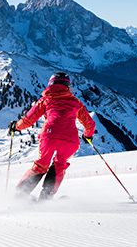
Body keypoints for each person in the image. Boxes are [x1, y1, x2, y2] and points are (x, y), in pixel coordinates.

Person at [9, 72, 95, 201]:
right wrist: (88, 136)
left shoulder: (46, 100)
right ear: (68, 86)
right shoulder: (76, 103)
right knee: (59, 165)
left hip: (49, 136)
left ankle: (21, 194)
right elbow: (89, 123)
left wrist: (16, 126)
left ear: (50, 85)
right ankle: (47, 195)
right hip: (70, 140)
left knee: (41, 164)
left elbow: (28, 120)